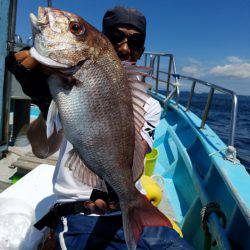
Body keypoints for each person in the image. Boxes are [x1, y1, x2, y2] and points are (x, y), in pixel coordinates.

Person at [5, 6, 193, 249]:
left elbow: (137, 154)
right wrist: (45, 104)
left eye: (134, 42)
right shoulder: (63, 83)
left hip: (123, 205)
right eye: (116, 38)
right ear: (102, 39)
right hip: (79, 213)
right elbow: (41, 150)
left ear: (142, 51)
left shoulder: (150, 105)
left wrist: (121, 195)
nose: (125, 48)